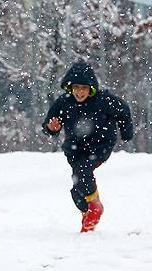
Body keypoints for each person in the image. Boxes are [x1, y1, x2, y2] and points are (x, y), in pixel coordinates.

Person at [42, 62, 133, 232]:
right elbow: (49, 123)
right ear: (70, 88)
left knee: (83, 171)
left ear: (91, 88)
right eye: (76, 87)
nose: (79, 92)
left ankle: (95, 207)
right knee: (77, 187)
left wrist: (126, 133)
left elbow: (124, 111)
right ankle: (87, 211)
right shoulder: (64, 102)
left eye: (84, 88)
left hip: (99, 146)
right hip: (75, 148)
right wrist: (51, 128)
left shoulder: (103, 100)